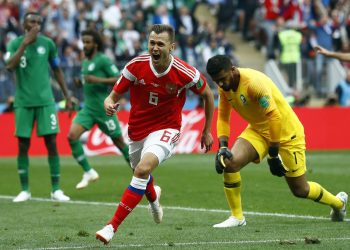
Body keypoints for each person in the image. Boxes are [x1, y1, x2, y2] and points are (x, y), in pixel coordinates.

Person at [95, 24, 214, 244]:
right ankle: (153, 198)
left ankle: (111, 226)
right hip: (138, 129)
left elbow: (207, 94)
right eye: (152, 43)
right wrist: (109, 103)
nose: (155, 47)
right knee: (140, 172)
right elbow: (111, 96)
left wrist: (206, 130)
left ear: (172, 47)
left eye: (160, 44)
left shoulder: (185, 72)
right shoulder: (135, 66)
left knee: (142, 169)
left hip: (167, 128)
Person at [205, 54, 348, 228]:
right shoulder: (224, 87)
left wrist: (273, 154)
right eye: (216, 81)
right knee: (229, 161)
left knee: (300, 190)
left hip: (287, 134)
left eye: (222, 79)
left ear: (233, 70)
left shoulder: (254, 83)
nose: (220, 84)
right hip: (258, 130)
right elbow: (223, 117)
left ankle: (339, 203)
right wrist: (223, 146)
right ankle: (237, 217)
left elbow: (274, 117)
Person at [4, 12, 72, 202]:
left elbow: (57, 69)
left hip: (46, 102)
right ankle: (25, 189)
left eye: (38, 22)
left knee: (51, 143)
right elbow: (9, 66)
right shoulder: (14, 44)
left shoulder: (48, 44)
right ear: (24, 24)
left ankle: (56, 189)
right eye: (32, 22)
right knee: (23, 145)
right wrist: (25, 43)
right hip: (24, 103)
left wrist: (67, 95)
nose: (35, 25)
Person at [67, 29, 130, 190]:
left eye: (88, 42)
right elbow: (87, 81)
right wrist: (81, 83)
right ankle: (88, 171)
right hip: (88, 109)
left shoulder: (103, 60)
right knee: (72, 136)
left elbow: (119, 79)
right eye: (83, 42)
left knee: (119, 142)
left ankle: (141, 175)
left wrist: (97, 79)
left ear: (95, 43)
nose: (85, 45)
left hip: (104, 109)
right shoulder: (85, 61)